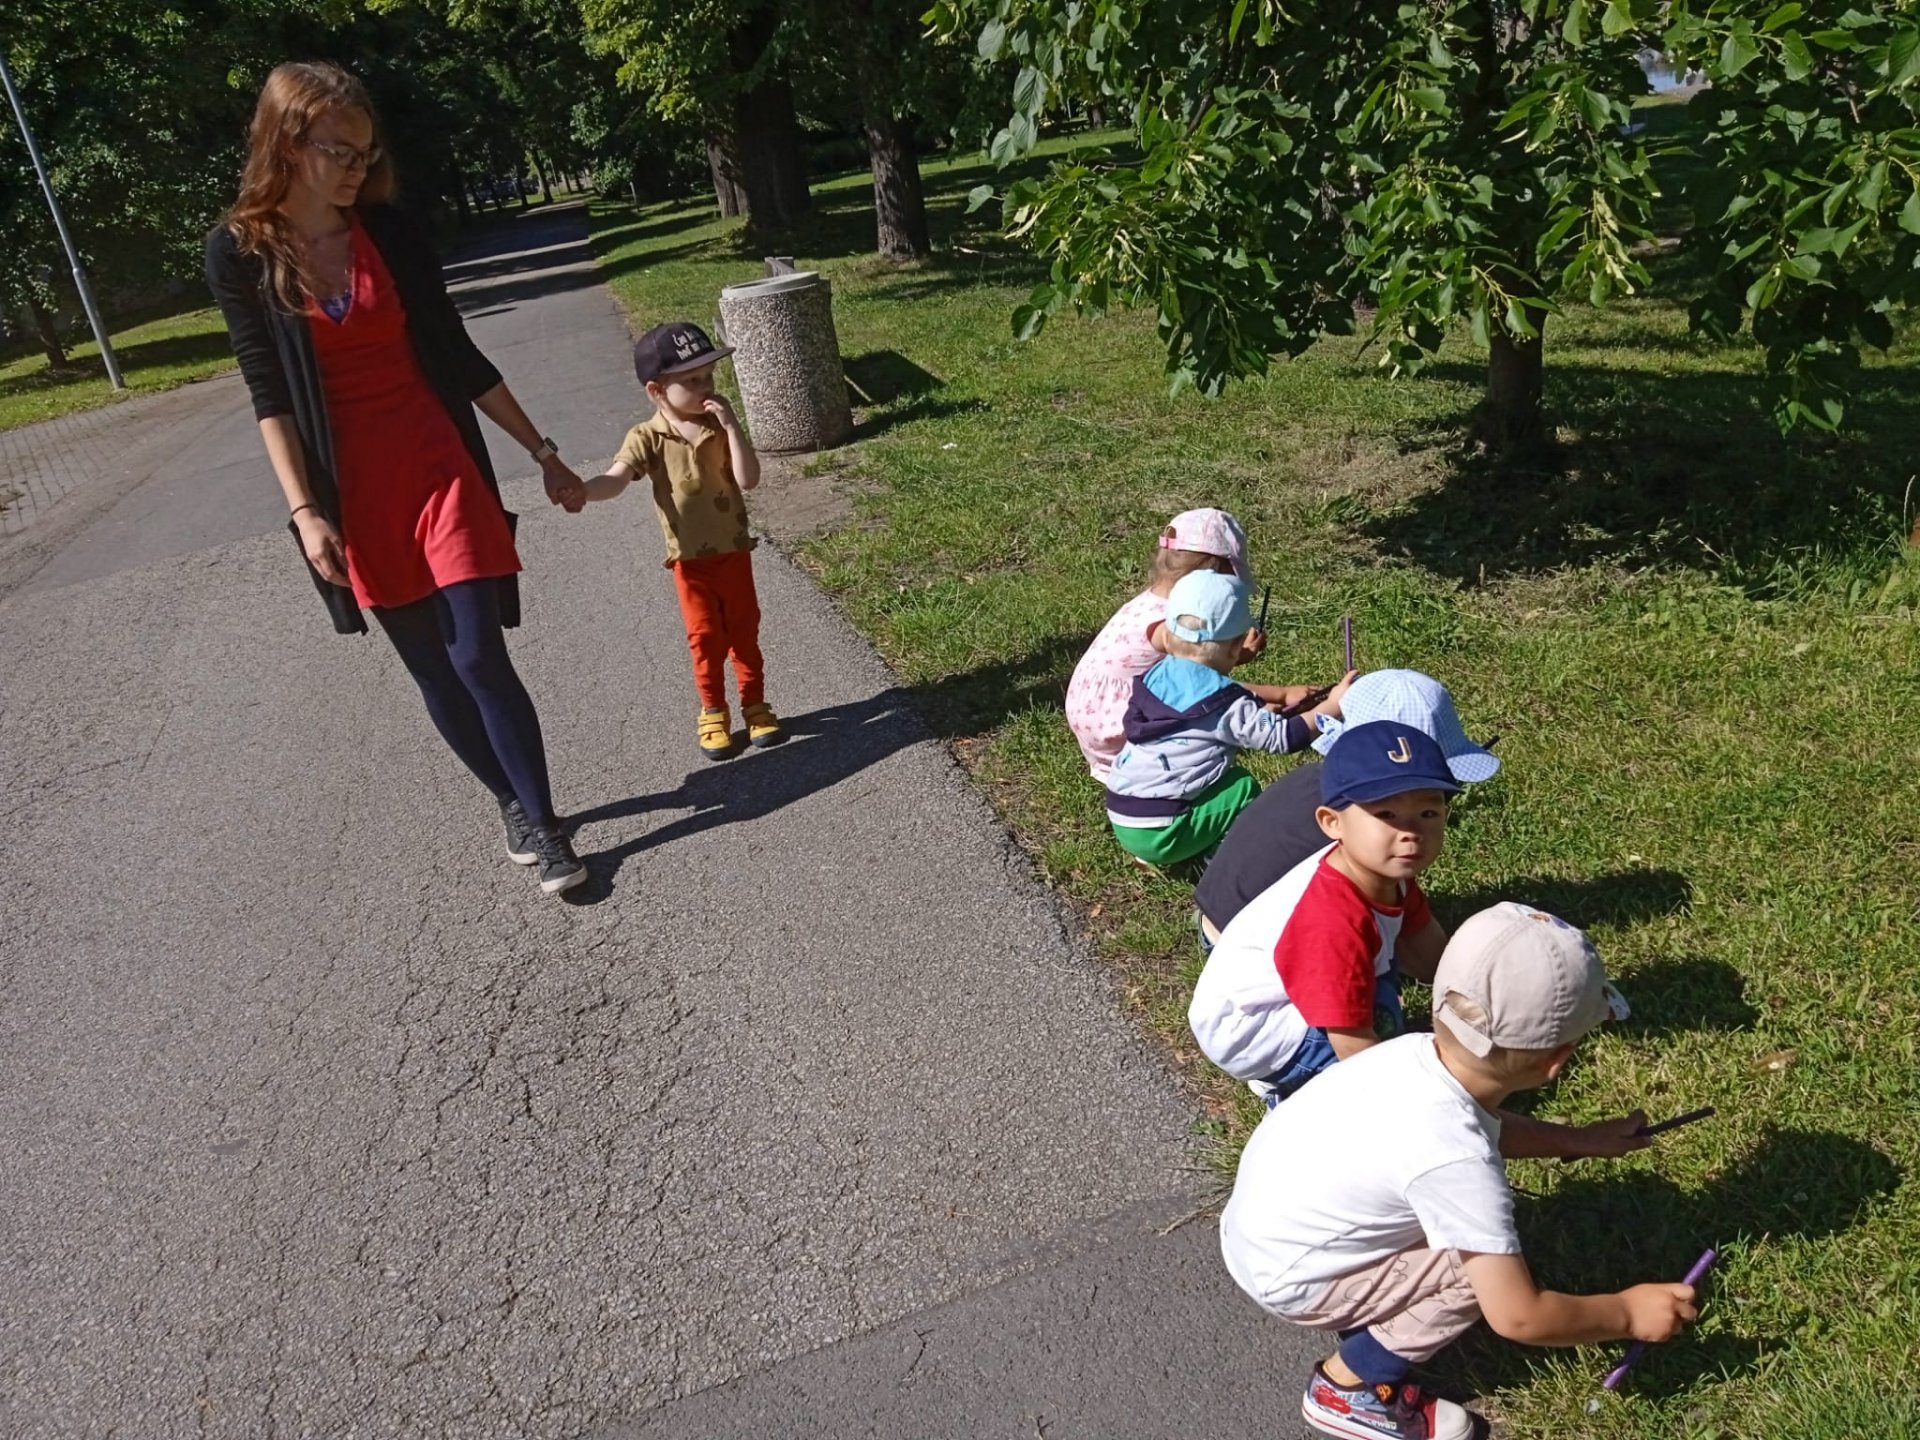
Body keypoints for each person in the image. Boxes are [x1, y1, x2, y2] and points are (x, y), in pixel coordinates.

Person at [204, 61, 588, 896]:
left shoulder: (392, 235)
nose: (356, 168)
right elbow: (268, 395)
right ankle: (510, 802)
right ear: (287, 142)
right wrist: (306, 512)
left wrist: (543, 452)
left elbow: (456, 354)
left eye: (365, 153)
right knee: (432, 668)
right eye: (338, 151)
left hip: (438, 465)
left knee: (478, 654)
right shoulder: (240, 254)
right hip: (353, 494)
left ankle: (547, 824)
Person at [1219, 903, 1679, 1440]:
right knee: (1471, 1272)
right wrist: (1627, 1312)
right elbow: (1518, 1315)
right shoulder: (1458, 1160)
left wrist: (1580, 1140)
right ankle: (1349, 1386)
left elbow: (1481, 1126)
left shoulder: (1410, 1055)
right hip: (1295, 1279)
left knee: (1458, 1227)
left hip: (1257, 1232)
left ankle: (1371, 1294)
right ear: (1557, 1060)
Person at [1187, 721, 1456, 1106]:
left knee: (1377, 990)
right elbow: (1352, 1042)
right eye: (1386, 814)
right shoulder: (1331, 918)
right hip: (1250, 1027)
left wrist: (1472, 991)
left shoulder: (1381, 870)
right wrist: (1409, 1103)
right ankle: (1295, 1096)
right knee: (1379, 1027)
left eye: (1428, 813)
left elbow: (1426, 948)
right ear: (1332, 823)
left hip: (1278, 996)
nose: (1410, 831)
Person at [580, 322, 780, 761]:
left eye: (708, 376)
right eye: (690, 381)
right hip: (690, 563)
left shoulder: (717, 426)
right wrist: (584, 491)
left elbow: (748, 480)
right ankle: (713, 711)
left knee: (744, 632)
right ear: (657, 390)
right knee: (705, 639)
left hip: (734, 554)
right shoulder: (647, 437)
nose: (705, 386)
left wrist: (732, 426)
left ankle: (755, 705)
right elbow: (616, 479)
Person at [1195, 670, 1499, 949]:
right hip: (1247, 948)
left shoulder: (1316, 780)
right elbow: (1414, 944)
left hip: (1218, 917)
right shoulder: (1367, 831)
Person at [1105, 571, 1351, 870]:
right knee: (1241, 787)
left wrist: (1259, 712)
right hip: (1162, 832)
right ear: (1237, 648)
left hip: (1123, 813)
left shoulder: (1157, 675)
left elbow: (1208, 714)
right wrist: (1331, 705)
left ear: (1167, 636)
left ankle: (1159, 850)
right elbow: (1285, 737)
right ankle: (1222, 860)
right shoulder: (1226, 704)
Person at [1067, 508, 1328, 782]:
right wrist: (1282, 694)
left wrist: (1238, 655)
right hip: (1118, 725)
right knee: (1206, 708)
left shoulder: (1152, 602)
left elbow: (1192, 669)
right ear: (1214, 571)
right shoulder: (1173, 621)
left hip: (1089, 711)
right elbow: (1204, 687)